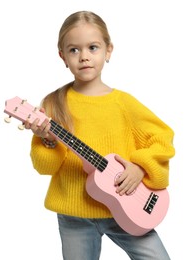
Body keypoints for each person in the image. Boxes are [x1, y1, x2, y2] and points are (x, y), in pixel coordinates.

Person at [24, 10, 175, 260]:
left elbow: (162, 138)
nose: (83, 57)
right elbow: (45, 167)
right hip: (75, 216)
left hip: (128, 207)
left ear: (108, 50)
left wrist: (140, 168)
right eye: (74, 50)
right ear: (62, 56)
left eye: (92, 47)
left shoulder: (123, 103)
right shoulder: (53, 105)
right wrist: (47, 140)